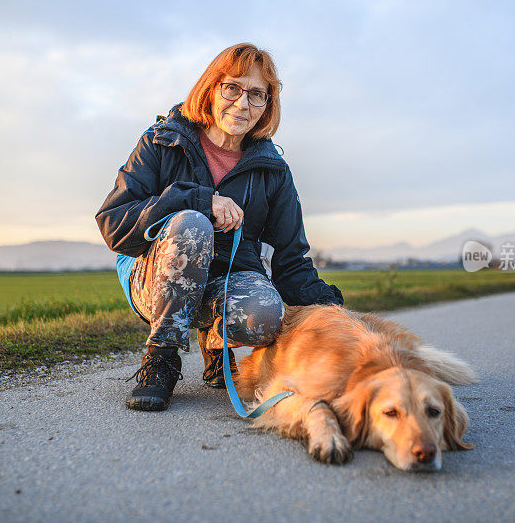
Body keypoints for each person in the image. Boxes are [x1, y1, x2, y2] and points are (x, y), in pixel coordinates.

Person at [95, 42, 343, 412]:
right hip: (155, 280)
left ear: (267, 105)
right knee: (193, 223)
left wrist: (335, 309)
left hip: (224, 279)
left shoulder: (273, 170)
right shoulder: (162, 141)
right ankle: (161, 356)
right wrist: (197, 200)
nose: (242, 104)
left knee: (266, 314)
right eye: (233, 88)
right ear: (211, 89)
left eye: (257, 94)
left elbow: (291, 262)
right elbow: (114, 223)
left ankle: (216, 344)